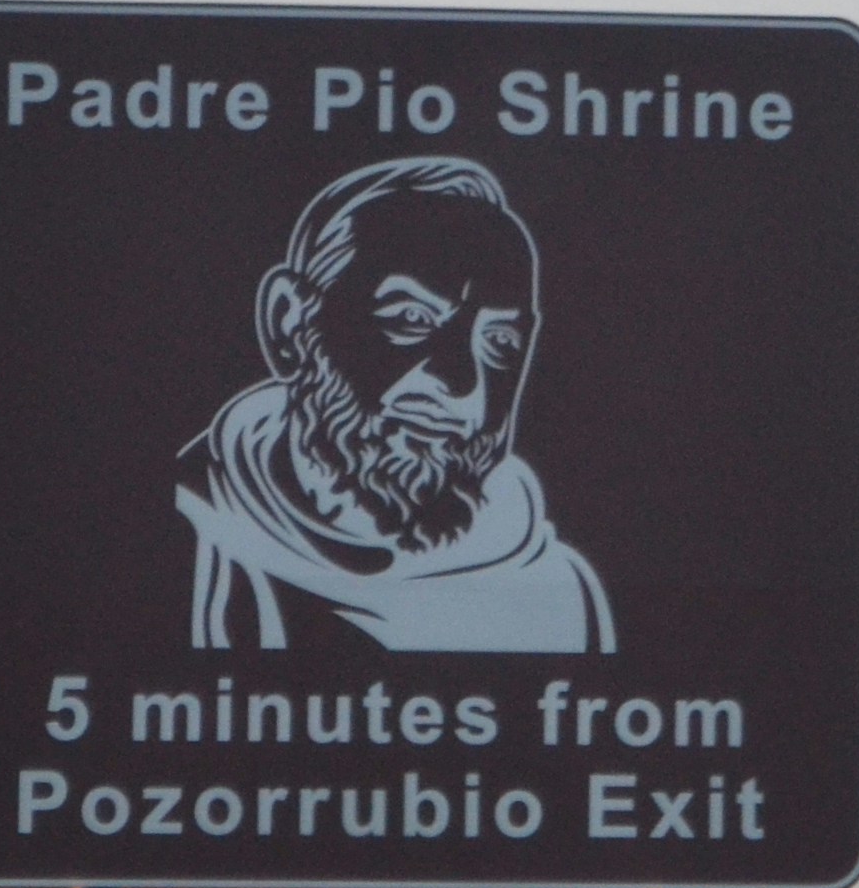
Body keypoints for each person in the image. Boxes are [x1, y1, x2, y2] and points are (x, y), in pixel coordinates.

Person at [176, 155, 617, 652]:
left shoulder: (561, 594)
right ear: (290, 323)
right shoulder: (178, 544)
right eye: (410, 318)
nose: (458, 383)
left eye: (500, 343)